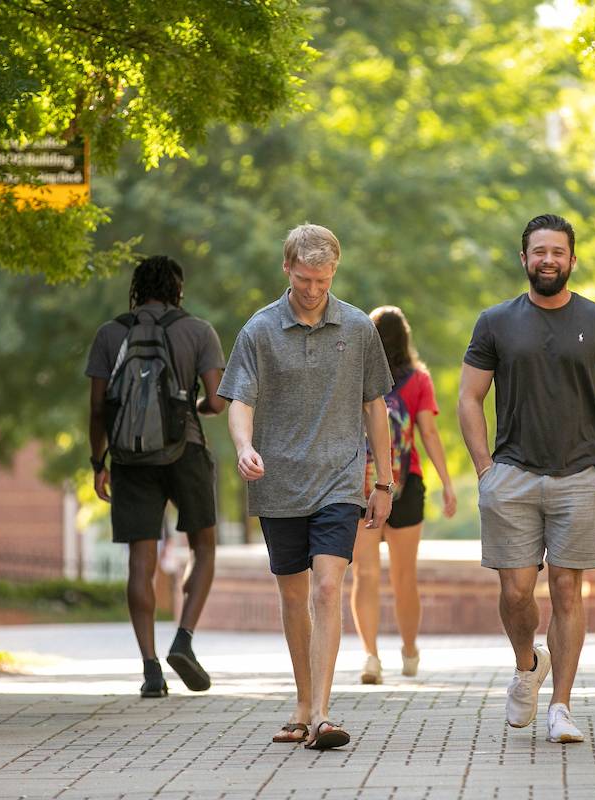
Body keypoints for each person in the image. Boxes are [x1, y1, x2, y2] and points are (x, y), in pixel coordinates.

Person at [457, 214, 595, 745]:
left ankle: (562, 706)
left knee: (568, 590)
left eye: (558, 252)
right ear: (524, 259)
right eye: (539, 252)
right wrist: (484, 469)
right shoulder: (495, 321)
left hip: (579, 475)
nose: (548, 260)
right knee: (516, 591)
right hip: (512, 476)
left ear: (571, 259)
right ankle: (528, 664)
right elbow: (469, 398)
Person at [218, 223, 393, 751]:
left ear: (334, 271)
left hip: (340, 480)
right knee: (294, 597)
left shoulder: (358, 328)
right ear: (286, 268)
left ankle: (321, 713)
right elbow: (239, 400)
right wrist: (244, 446)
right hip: (279, 481)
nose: (313, 289)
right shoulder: (259, 330)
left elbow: (375, 407)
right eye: (303, 278)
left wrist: (382, 480)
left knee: (327, 587)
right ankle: (301, 702)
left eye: (322, 279)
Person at [86, 255, 227, 698]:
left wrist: (98, 462)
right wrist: (192, 406)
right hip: (186, 449)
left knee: (139, 561)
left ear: (136, 288)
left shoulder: (110, 333)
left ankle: (150, 669)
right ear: (177, 290)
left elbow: (97, 409)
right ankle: (183, 639)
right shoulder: (198, 330)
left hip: (129, 458)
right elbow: (219, 402)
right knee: (203, 547)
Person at [351, 306, 457, 685]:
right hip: (405, 485)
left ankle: (371, 657)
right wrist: (446, 482)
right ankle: (409, 653)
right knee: (404, 576)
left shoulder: (358, 375)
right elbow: (428, 434)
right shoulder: (417, 380)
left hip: (362, 485)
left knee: (364, 575)